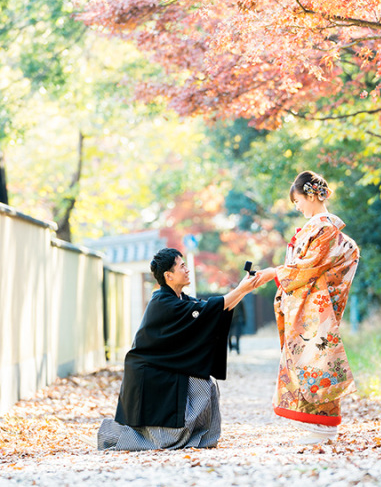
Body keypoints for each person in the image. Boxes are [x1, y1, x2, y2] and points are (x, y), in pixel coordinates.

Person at [97, 248, 257, 451]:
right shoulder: (162, 302)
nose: (187, 269)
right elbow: (209, 310)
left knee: (207, 385)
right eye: (182, 266)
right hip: (150, 372)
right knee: (198, 390)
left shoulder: (181, 299)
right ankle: (118, 436)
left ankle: (199, 437)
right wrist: (242, 289)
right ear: (168, 275)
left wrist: (244, 290)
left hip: (165, 366)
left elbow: (214, 310)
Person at [254, 171, 360, 445]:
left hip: (316, 304)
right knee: (310, 360)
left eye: (297, 200)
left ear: (310, 195)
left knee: (319, 358)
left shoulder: (325, 228)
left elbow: (309, 266)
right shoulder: (316, 227)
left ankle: (325, 427)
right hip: (310, 301)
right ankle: (319, 424)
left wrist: (275, 273)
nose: (297, 206)